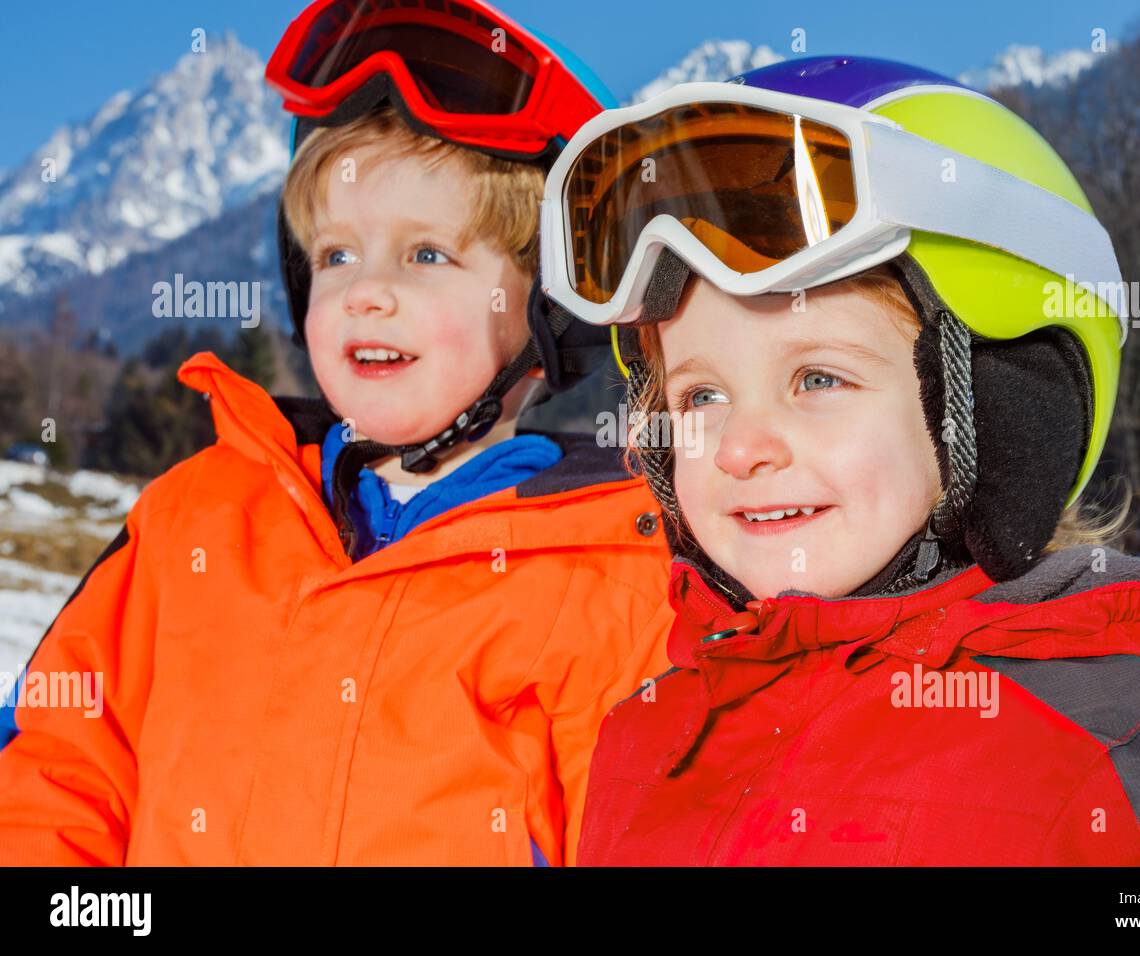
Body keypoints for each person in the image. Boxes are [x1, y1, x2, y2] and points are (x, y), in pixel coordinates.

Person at [539, 56, 1140, 865]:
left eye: (818, 378)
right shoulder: (648, 729)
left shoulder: (1117, 749)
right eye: (699, 397)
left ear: (1005, 405)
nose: (738, 447)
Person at [0, 0, 673, 866]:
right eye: (336, 257)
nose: (366, 292)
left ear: (552, 309)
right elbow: (55, 772)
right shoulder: (195, 524)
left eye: (427, 255)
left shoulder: (615, 580)